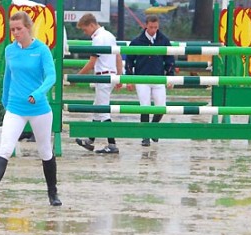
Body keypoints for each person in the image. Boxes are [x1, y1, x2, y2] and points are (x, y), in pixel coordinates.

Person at [0, 11, 61, 207]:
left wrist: (38, 94)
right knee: (5, 148)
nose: (15, 33)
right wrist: (5, 101)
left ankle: (53, 193)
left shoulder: (42, 50)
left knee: (45, 150)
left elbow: (51, 77)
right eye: (12, 29)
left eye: (19, 29)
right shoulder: (10, 50)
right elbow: (8, 76)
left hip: (39, 108)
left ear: (28, 28)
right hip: (15, 108)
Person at [74, 13, 123, 154]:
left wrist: (77, 76)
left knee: (103, 112)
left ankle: (112, 144)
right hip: (111, 75)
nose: (85, 32)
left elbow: (92, 62)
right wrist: (120, 75)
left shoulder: (97, 39)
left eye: (85, 29)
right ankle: (90, 140)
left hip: (103, 77)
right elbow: (118, 57)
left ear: (91, 25)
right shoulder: (110, 35)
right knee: (97, 109)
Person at [125, 15, 175, 146]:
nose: (154, 30)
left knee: (161, 107)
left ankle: (153, 128)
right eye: (151, 27)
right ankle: (145, 135)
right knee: (145, 106)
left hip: (159, 78)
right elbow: (129, 61)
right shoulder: (136, 41)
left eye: (156, 27)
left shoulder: (164, 40)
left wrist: (170, 76)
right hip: (142, 78)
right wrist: (129, 78)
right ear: (145, 25)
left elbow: (170, 60)